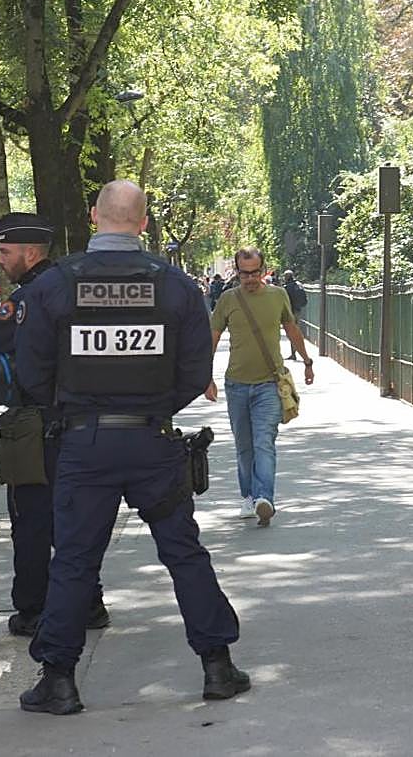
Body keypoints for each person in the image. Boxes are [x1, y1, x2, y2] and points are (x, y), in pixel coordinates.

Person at [15, 180, 247, 714]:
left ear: (95, 216)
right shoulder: (175, 287)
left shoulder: (54, 286)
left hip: (83, 443)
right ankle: (217, 666)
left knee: (73, 560)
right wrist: (153, 406)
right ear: (144, 223)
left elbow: (31, 372)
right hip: (151, 441)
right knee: (183, 552)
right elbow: (194, 373)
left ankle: (59, 680)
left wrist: (73, 408)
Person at [0, 213, 109, 637]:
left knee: (32, 522)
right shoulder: (77, 289)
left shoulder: (29, 298)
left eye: (4, 252)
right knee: (75, 521)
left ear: (30, 252)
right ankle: (90, 602)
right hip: (86, 425)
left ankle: (34, 609)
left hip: (37, 429)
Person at [206, 248, 315, 525]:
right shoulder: (228, 299)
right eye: (245, 274)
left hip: (269, 383)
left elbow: (292, 328)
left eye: (255, 273)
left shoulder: (278, 296)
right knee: (244, 446)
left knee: (263, 442)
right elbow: (213, 337)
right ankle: (248, 497)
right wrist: (205, 376)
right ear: (237, 272)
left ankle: (264, 497)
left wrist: (307, 360)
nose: (251, 279)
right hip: (237, 385)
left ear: (263, 270)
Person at [282, 270, 308, 361]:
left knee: (291, 332)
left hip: (290, 312)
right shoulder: (299, 285)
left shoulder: (287, 287)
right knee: (296, 331)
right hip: (298, 311)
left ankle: (294, 353)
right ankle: (295, 353)